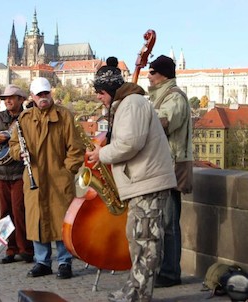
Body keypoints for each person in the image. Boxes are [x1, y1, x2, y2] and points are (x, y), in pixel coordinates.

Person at [86, 57, 177, 302]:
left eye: (100, 92)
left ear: (111, 90)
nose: (98, 97)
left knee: (146, 242)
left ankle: (140, 295)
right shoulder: (127, 104)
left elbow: (130, 143)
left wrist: (101, 154)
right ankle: (133, 289)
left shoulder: (132, 104)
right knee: (137, 240)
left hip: (148, 182)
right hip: (141, 183)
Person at [9, 77, 84, 279]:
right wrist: (19, 153)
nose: (44, 98)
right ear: (32, 97)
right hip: (34, 177)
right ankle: (42, 262)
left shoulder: (64, 116)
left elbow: (76, 148)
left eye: (46, 94)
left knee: (62, 221)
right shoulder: (24, 119)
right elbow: (14, 145)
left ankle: (64, 262)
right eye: (39, 95)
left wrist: (68, 171)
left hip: (59, 179)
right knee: (37, 219)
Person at [147, 55, 193, 288]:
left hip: (172, 165)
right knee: (163, 221)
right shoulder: (160, 96)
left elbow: (163, 122)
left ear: (163, 74)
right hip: (163, 164)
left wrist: (139, 116)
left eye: (152, 72)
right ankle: (164, 268)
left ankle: (171, 272)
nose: (149, 76)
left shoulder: (174, 97)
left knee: (169, 223)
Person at [0, 84, 34, 264]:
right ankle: (10, 250)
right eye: (5, 99)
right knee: (5, 213)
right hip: (1, 172)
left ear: (21, 100)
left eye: (11, 98)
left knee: (20, 211)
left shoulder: (27, 117)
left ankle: (25, 249)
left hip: (19, 171)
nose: (7, 101)